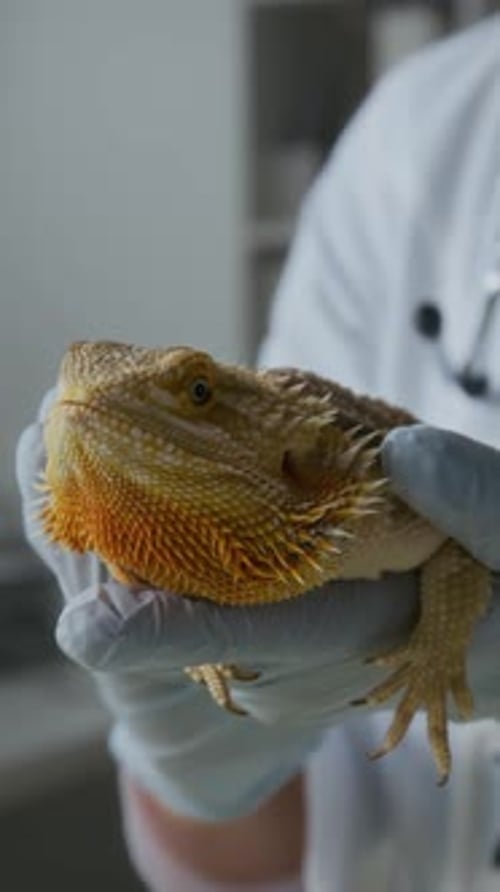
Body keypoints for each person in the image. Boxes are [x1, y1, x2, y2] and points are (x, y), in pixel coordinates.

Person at [16, 13, 500, 892]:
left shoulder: (361, 501)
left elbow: (453, 554)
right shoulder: (421, 127)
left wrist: (436, 648)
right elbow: (282, 843)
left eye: (195, 396)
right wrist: (197, 769)